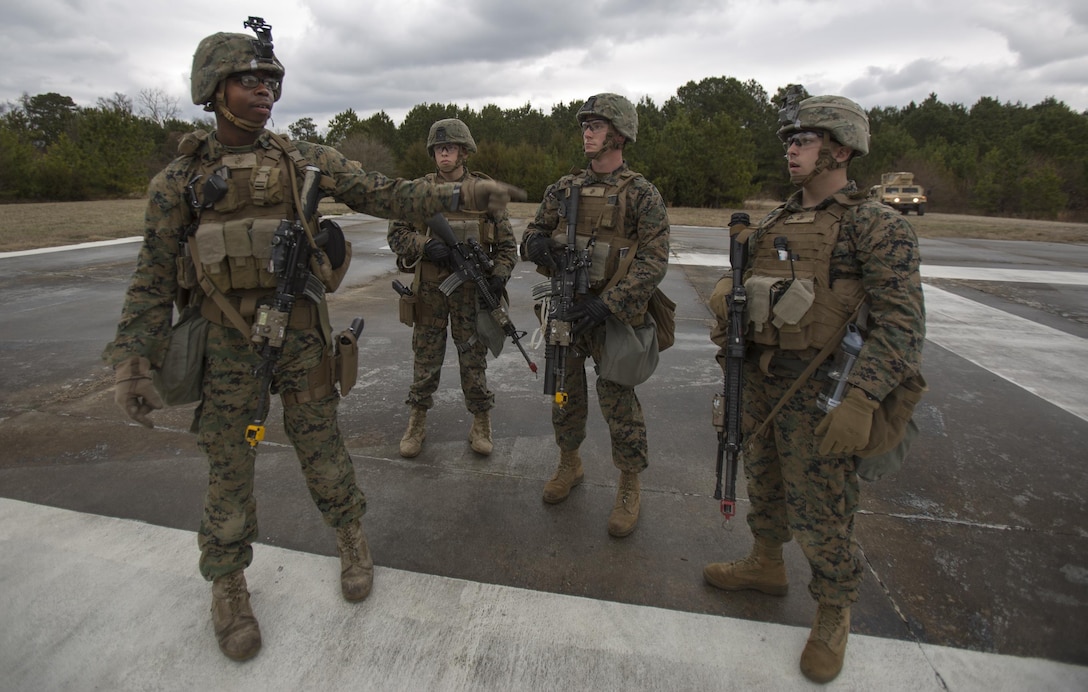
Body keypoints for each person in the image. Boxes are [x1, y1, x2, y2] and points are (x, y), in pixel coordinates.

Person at [101, 19, 520, 662]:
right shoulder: (178, 183)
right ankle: (229, 585)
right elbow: (152, 278)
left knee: (320, 439)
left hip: (297, 333)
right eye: (249, 80)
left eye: (271, 80)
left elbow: (385, 194)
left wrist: (465, 192)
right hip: (226, 345)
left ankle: (351, 537)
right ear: (214, 90)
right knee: (228, 464)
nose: (265, 91)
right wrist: (132, 359)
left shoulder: (304, 163)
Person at [703, 90, 925, 683]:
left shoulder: (874, 226)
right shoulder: (775, 220)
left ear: (840, 149)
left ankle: (833, 610)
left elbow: (903, 327)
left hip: (824, 392)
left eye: (803, 140)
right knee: (766, 481)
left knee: (824, 510)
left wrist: (862, 399)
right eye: (789, 141)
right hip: (761, 379)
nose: (792, 150)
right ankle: (766, 562)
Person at [521, 93, 670, 538]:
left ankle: (628, 483)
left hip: (612, 317)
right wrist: (537, 245)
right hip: (568, 308)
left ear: (619, 135)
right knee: (564, 395)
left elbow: (654, 261)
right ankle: (570, 462)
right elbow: (531, 232)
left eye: (597, 125)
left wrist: (608, 303)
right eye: (585, 125)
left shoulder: (642, 194)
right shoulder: (563, 189)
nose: (587, 131)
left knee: (618, 402)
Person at [387, 119, 518, 458]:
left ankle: (481, 422)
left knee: (473, 359)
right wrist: (423, 245)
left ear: (463, 151)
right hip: (430, 290)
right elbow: (396, 235)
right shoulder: (418, 191)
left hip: (471, 294)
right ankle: (416, 422)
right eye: (438, 148)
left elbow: (507, 247)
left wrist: (498, 275)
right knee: (425, 359)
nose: (443, 152)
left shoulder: (484, 191)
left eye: (450, 147)